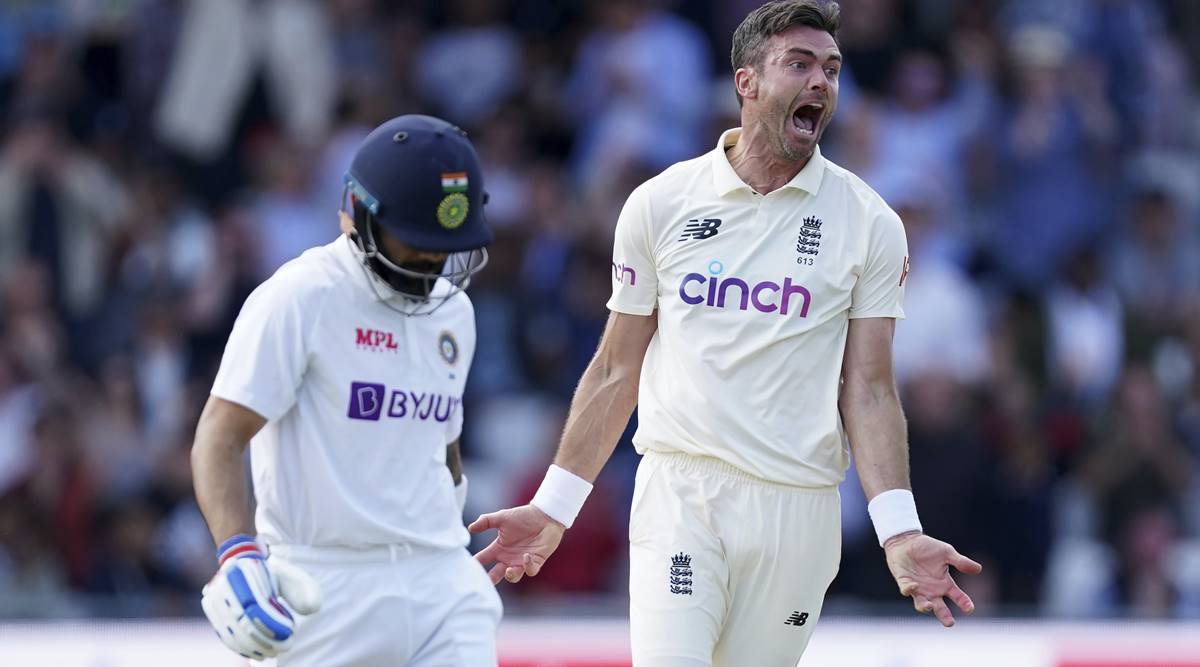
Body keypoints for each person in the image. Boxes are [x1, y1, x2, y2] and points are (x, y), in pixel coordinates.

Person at [470, 2, 982, 665]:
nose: (821, 82)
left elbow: (871, 387)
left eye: (831, 68)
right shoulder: (662, 202)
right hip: (682, 493)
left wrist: (900, 530)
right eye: (799, 65)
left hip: (798, 509)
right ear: (746, 83)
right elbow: (615, 368)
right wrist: (552, 507)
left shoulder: (871, 222)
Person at [191, 114, 501, 665]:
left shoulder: (455, 312)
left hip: (442, 581)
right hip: (325, 589)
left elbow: (441, 443)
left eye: (444, 247)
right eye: (417, 244)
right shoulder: (301, 296)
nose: (432, 265)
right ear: (359, 214)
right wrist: (237, 554)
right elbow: (219, 435)